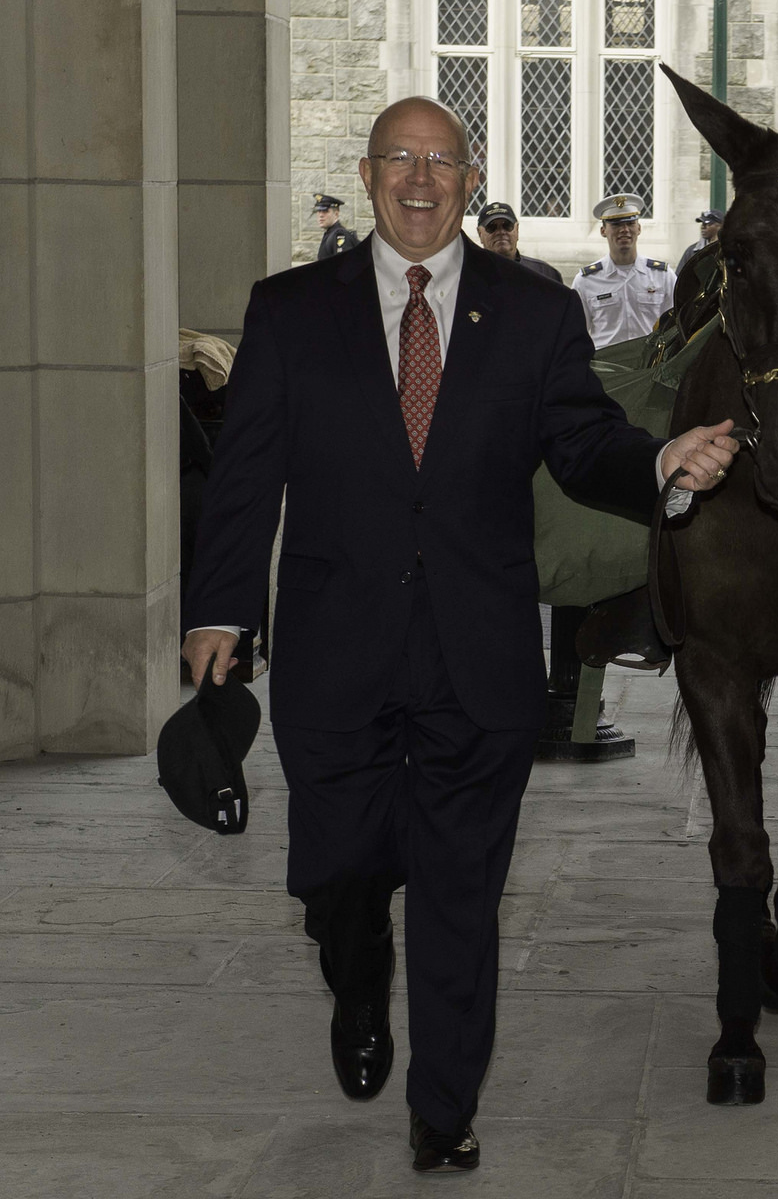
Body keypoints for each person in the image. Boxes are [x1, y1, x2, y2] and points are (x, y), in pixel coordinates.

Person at [180, 96, 739, 1172]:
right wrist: (220, 609)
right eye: (401, 158)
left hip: (477, 652)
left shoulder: (532, 312)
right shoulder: (292, 310)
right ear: (370, 170)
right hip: (335, 649)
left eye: (442, 160)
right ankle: (353, 975)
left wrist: (660, 465)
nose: (422, 179)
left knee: (458, 884)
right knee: (340, 868)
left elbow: (582, 442)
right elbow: (245, 476)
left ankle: (444, 1105)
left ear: (469, 176)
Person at [572, 194, 677, 347]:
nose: (624, 230)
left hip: (649, 366)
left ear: (639, 228)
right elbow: (576, 333)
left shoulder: (663, 276)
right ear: (603, 231)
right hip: (606, 366)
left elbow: (675, 326)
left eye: (630, 223)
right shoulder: (586, 281)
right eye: (616, 225)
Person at [475, 201, 561, 282]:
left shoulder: (544, 274)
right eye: (491, 227)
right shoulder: (470, 276)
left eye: (507, 225)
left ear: (517, 229)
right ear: (480, 234)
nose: (501, 232)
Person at [677, 208, 725, 272]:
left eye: (708, 224)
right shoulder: (691, 251)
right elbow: (679, 276)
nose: (703, 227)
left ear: (720, 226)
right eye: (702, 224)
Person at [314, 193, 357, 260]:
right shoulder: (330, 234)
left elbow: (343, 265)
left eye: (325, 211)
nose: (321, 215)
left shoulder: (340, 235)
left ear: (336, 214)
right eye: (319, 211)